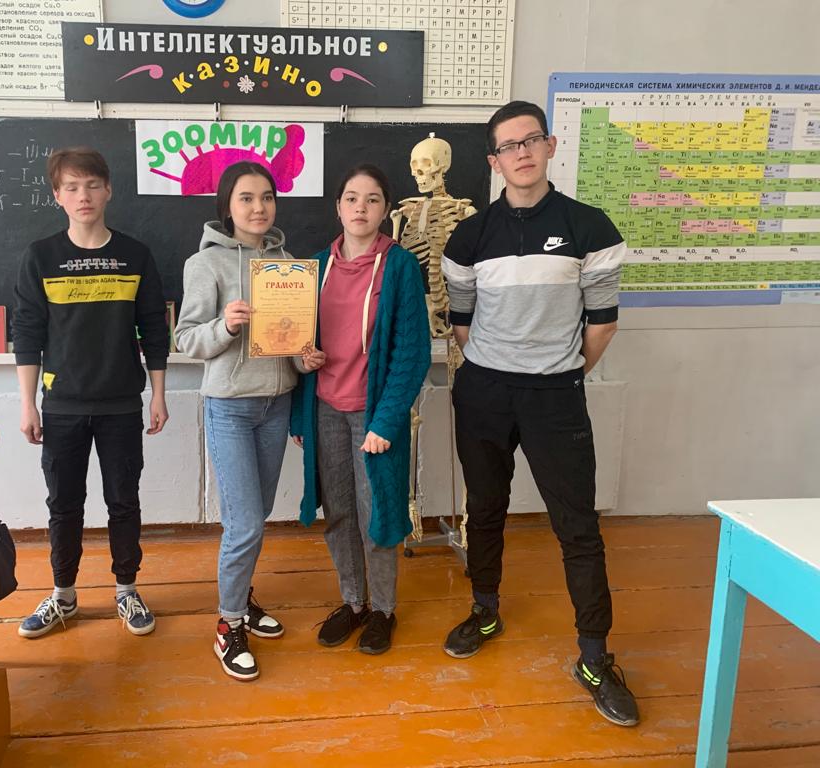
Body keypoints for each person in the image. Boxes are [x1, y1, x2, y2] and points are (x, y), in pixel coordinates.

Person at [441, 101, 639, 726]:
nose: (521, 153)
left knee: (577, 525)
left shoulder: (590, 227)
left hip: (555, 395)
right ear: (494, 161)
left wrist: (560, 370)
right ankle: (485, 609)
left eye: (530, 140)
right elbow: (463, 325)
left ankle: (594, 656)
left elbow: (602, 324)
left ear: (550, 147)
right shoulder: (469, 237)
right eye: (508, 146)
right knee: (485, 508)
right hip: (484, 393)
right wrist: (503, 366)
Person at [12, 146, 169, 639]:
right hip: (62, 406)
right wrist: (27, 403)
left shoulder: (135, 255)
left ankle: (127, 589)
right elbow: (28, 333)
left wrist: (158, 394)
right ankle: (64, 594)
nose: (84, 196)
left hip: (121, 404)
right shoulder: (41, 257)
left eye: (93, 185)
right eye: (72, 187)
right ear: (57, 195)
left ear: (108, 191)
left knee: (123, 501)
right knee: (64, 504)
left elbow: (154, 330)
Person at [291, 164, 430, 655]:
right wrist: (303, 362)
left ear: (385, 209)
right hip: (324, 411)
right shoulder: (313, 268)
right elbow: (296, 345)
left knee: (378, 516)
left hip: (373, 418)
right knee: (339, 514)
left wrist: (386, 421)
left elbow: (412, 354)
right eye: (351, 198)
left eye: (372, 199)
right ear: (338, 207)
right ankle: (354, 603)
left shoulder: (400, 267)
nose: (361, 208)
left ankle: (384, 611)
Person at [174, 162, 295, 682]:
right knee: (244, 523)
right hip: (230, 406)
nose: (258, 207)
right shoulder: (205, 264)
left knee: (257, 514)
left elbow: (291, 337)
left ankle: (242, 599)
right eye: (246, 198)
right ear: (227, 205)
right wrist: (224, 325)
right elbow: (186, 338)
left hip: (277, 403)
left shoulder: (287, 264)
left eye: (267, 197)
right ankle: (228, 624)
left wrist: (304, 357)